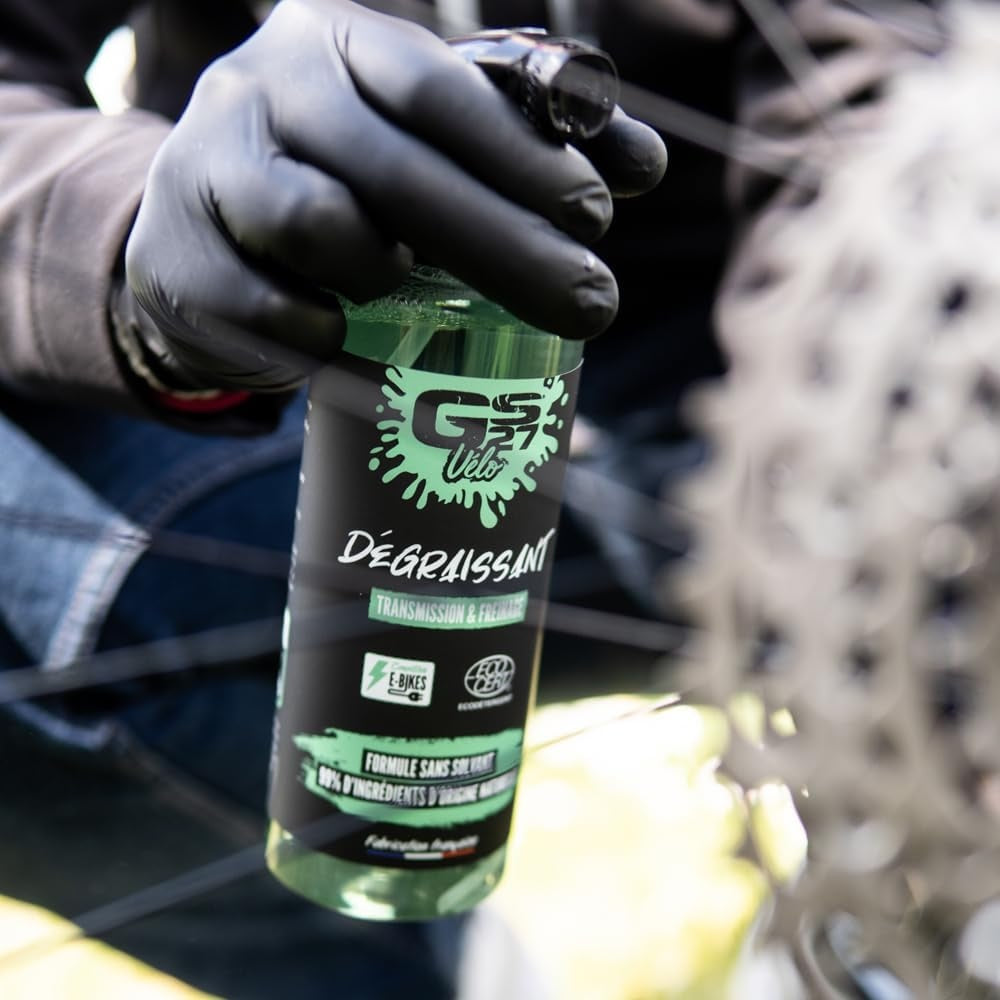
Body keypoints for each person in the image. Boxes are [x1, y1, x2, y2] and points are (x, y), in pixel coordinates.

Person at [0, 0, 934, 996]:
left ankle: (907, 892)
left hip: (728, 424)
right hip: (315, 383)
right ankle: (441, 975)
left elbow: (888, 120)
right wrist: (129, 235)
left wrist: (882, 481)